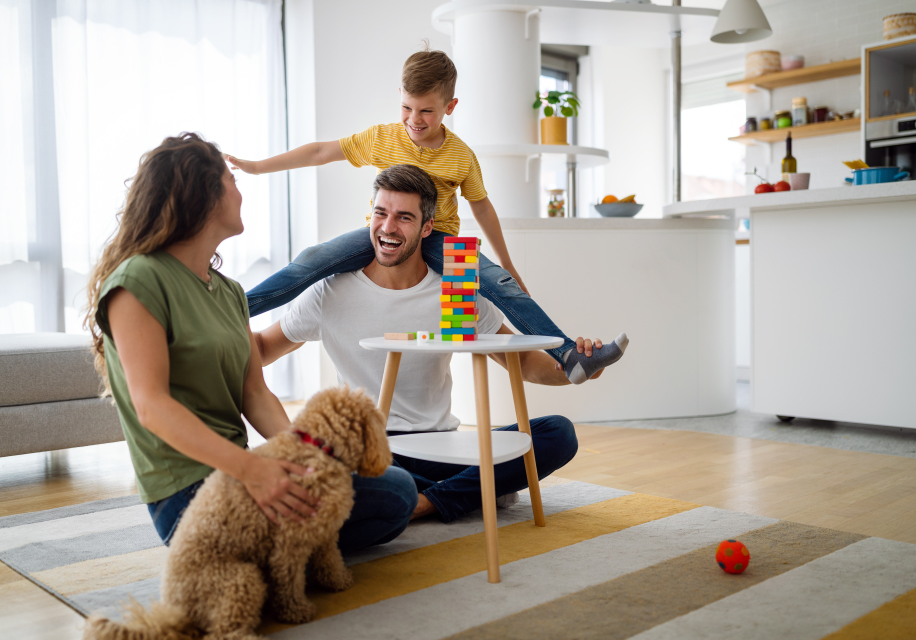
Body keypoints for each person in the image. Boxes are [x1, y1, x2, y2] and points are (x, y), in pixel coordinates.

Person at [83, 133, 417, 551]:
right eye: (232, 182)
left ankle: (273, 554)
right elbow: (152, 407)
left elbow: (255, 393)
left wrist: (306, 458)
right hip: (188, 493)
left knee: (395, 489)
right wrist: (253, 472)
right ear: (203, 196)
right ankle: (261, 555)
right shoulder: (138, 280)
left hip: (246, 468)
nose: (241, 195)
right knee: (393, 495)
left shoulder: (228, 292)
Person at [227, 46, 627, 386]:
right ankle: (231, 306)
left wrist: (505, 263)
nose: (414, 120)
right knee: (313, 260)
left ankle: (569, 355)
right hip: (380, 233)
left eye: (427, 111)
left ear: (449, 107)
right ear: (398, 97)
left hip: (440, 238)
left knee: (501, 288)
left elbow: (481, 205)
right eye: (406, 107)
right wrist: (259, 167)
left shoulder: (461, 155)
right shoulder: (383, 138)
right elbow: (319, 152)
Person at [254, 164, 624, 522]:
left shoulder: (454, 290)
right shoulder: (331, 291)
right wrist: (212, 334)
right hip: (370, 450)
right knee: (330, 468)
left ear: (427, 226)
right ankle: (468, 490)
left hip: (440, 444)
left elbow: (523, 362)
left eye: (404, 217)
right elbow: (263, 349)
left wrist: (579, 371)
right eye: (380, 213)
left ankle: (425, 501)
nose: (387, 227)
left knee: (557, 433)